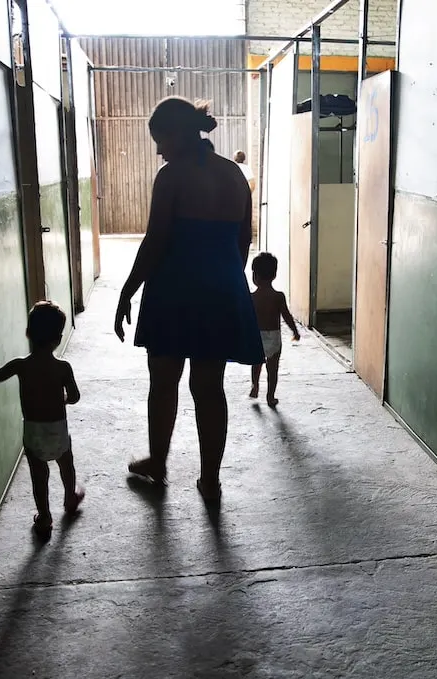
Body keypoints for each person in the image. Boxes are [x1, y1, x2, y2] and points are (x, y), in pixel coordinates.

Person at [114, 96, 263, 501]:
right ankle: (209, 479)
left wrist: (127, 290)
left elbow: (156, 241)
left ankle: (158, 462)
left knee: (164, 382)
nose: (159, 151)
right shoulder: (234, 175)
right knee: (209, 387)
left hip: (175, 290)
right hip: (221, 290)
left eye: (160, 141)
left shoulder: (171, 176)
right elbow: (243, 241)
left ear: (178, 135)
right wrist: (225, 280)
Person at [0, 301, 84, 535]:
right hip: (58, 430)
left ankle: (45, 517)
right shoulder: (63, 368)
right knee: (66, 464)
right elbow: (75, 397)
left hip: (33, 432)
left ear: (28, 333)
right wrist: (63, 399)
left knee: (39, 475)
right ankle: (70, 498)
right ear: (58, 339)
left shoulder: (21, 366)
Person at [249, 252, 300, 407]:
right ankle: (270, 396)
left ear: (255, 276)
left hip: (256, 336)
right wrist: (295, 331)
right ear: (274, 275)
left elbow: (245, 318)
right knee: (273, 369)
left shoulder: (251, 297)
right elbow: (286, 316)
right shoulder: (278, 296)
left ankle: (255, 386)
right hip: (274, 337)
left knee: (256, 364)